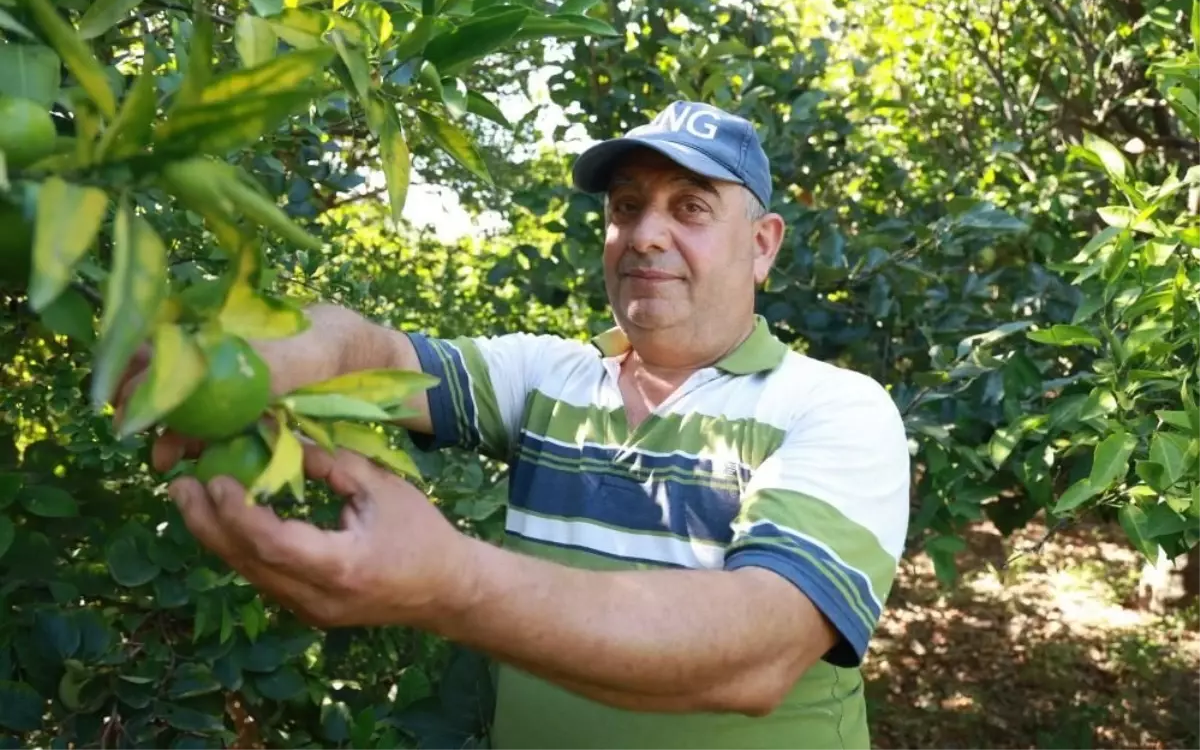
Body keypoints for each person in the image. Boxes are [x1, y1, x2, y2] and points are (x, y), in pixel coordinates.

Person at [114, 100, 911, 749]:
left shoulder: (832, 407)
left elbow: (756, 654)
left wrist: (450, 583)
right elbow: (374, 352)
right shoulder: (551, 377)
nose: (646, 234)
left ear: (763, 246)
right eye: (627, 206)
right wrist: (289, 347)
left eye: (690, 208)